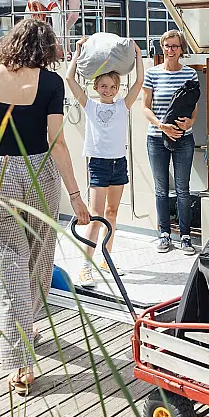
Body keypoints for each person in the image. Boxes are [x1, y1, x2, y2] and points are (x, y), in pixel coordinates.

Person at [0, 16, 90, 397]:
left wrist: (2, 158)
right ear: (45, 50)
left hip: (0, 171)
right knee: (39, 258)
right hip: (39, 172)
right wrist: (76, 195)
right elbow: (57, 142)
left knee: (9, 267)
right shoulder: (52, 83)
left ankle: (21, 350)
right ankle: (24, 340)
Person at [65, 37, 145, 287]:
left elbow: (139, 81)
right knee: (96, 215)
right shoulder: (89, 106)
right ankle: (85, 267)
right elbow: (69, 79)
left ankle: (106, 259)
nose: (107, 90)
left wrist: (138, 55)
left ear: (117, 88)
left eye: (111, 86)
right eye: (103, 86)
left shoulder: (123, 105)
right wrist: (77, 52)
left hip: (118, 163)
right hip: (99, 164)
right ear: (96, 87)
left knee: (112, 213)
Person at [141, 29, 198, 254]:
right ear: (162, 47)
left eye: (175, 46)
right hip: (157, 138)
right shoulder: (152, 74)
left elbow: (194, 106)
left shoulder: (190, 74)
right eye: (167, 46)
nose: (170, 50)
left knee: (183, 189)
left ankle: (185, 236)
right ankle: (164, 234)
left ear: (181, 49)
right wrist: (161, 125)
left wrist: (189, 123)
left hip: (184, 137)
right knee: (161, 189)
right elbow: (145, 107)